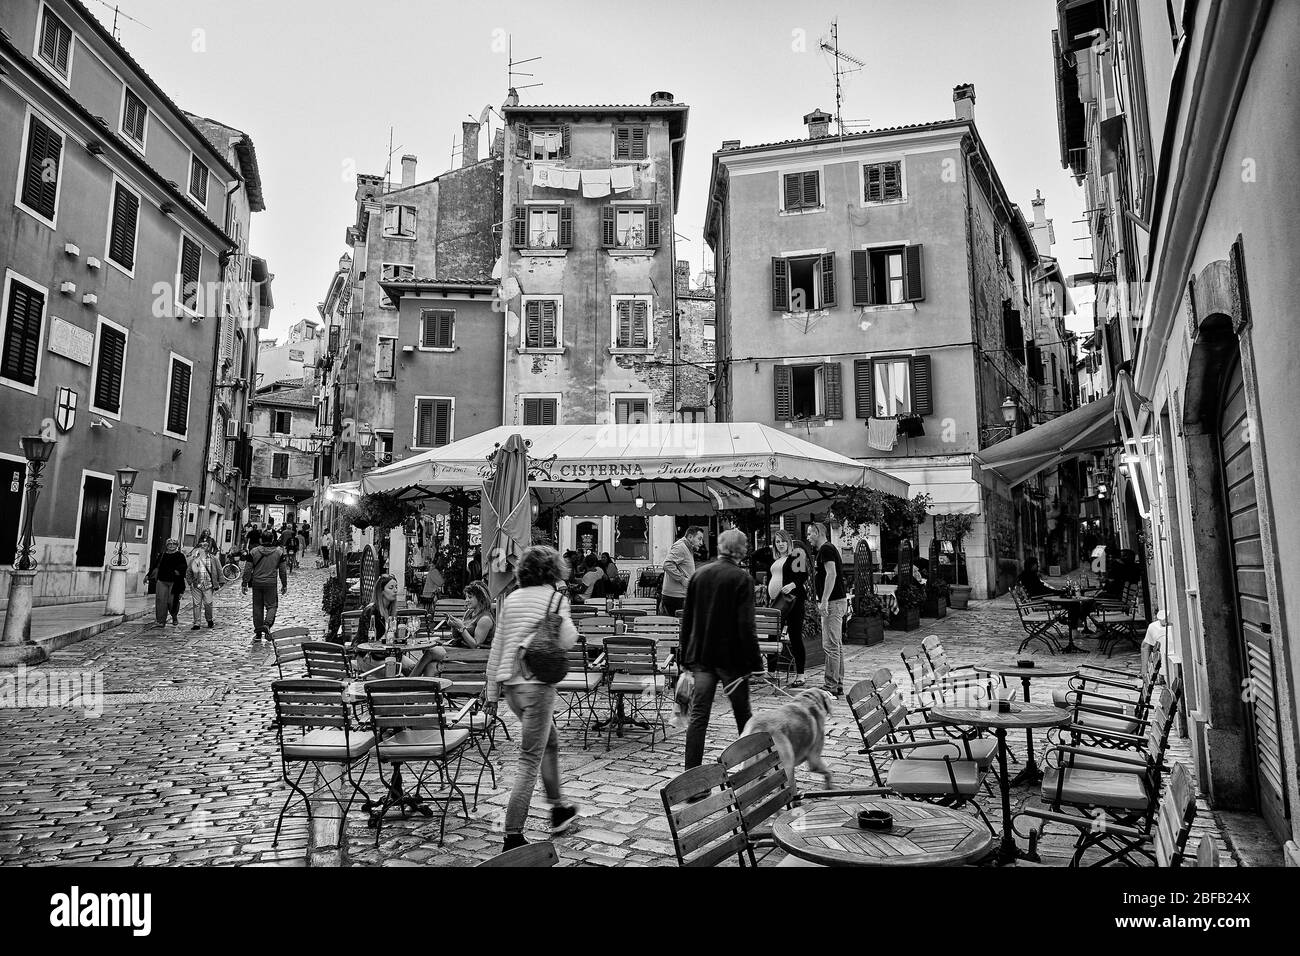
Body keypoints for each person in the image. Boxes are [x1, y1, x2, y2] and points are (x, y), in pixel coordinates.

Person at [485, 546, 580, 852]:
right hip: (538, 685)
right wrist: (558, 614)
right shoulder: (555, 599)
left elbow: (498, 646)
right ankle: (513, 834)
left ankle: (558, 808)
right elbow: (567, 640)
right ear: (554, 570)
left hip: (512, 688)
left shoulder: (510, 599)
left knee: (548, 741)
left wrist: (491, 692)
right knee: (529, 758)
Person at [680, 529, 762, 770]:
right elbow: (746, 625)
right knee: (743, 718)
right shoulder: (741, 578)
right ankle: (754, 770)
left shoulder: (699, 575)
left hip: (702, 657)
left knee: (698, 717)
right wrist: (757, 665)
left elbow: (687, 619)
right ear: (740, 551)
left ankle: (692, 777)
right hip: (731, 661)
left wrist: (684, 656)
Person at [806, 522, 846, 697]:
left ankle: (831, 684)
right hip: (837, 601)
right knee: (836, 645)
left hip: (833, 602)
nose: (808, 538)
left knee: (830, 645)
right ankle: (837, 682)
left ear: (817, 532)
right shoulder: (827, 549)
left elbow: (832, 574)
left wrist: (824, 601)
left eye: (809, 534)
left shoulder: (826, 550)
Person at [768, 529, 808, 687]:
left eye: (783, 541)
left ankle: (801, 674)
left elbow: (803, 575)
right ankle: (771, 671)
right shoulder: (777, 559)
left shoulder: (797, 554)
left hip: (792, 602)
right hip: (776, 602)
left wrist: (792, 585)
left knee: (795, 636)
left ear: (789, 541)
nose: (780, 544)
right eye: (777, 542)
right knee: (772, 635)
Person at [241, 530, 288, 641]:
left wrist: (244, 582)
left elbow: (247, 569)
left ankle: (258, 633)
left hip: (257, 582)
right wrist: (284, 584)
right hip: (271, 583)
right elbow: (283, 570)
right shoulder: (279, 552)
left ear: (261, 539)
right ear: (272, 540)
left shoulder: (253, 552)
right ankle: (267, 625)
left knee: (257, 607)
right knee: (272, 606)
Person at [661, 526, 705, 616]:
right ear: (690, 537)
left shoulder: (687, 548)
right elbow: (667, 564)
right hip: (676, 597)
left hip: (679, 596)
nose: (701, 543)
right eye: (699, 539)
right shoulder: (681, 547)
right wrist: (682, 579)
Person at [149, 538, 188, 628]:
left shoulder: (180, 556)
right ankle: (160, 621)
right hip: (162, 581)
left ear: (177, 546)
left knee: (172, 601)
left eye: (174, 544)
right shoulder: (162, 555)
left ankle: (174, 616)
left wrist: (178, 571)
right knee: (160, 601)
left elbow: (184, 567)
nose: (171, 545)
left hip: (175, 582)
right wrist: (148, 575)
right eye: (169, 544)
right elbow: (155, 566)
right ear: (166, 545)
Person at [186, 540, 222, 630]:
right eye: (201, 546)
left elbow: (219, 570)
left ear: (208, 548)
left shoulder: (214, 559)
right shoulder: (194, 559)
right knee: (196, 604)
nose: (203, 547)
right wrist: (190, 582)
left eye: (205, 546)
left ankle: (209, 619)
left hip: (208, 585)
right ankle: (197, 623)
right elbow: (189, 571)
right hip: (196, 585)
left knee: (208, 603)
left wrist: (220, 582)